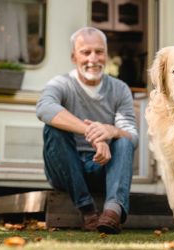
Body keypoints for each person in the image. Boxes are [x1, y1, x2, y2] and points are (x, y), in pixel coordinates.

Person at [36, 27, 138, 234]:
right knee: (53, 129)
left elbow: (132, 136)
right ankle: (88, 211)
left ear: (107, 55)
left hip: (102, 169)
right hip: (65, 171)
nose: (93, 58)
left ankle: (112, 212)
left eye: (99, 52)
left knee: (124, 140)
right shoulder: (61, 83)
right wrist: (91, 133)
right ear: (74, 57)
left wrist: (111, 131)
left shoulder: (120, 89)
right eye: (85, 52)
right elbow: (44, 108)